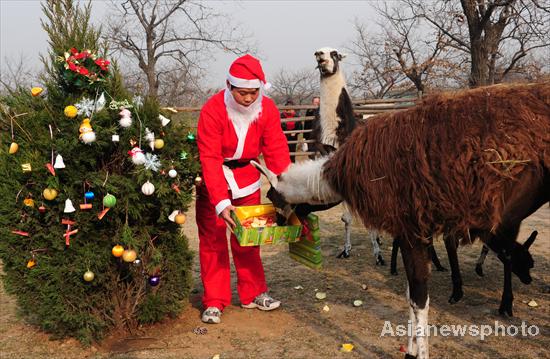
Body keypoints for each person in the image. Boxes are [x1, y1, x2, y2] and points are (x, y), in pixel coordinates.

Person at [196, 54, 291, 324]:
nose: (249, 99)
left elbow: (275, 148)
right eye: (242, 93)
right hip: (214, 181)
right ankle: (214, 300)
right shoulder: (212, 110)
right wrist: (221, 203)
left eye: (253, 93)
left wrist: (286, 185)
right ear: (229, 85)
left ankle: (254, 293)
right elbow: (210, 159)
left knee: (249, 238)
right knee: (213, 241)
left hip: (248, 179)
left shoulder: (267, 109)